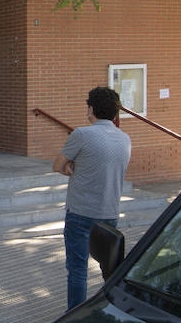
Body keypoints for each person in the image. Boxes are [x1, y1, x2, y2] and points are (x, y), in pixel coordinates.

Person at [53, 86, 132, 310]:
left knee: (77, 268)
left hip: (80, 212)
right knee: (108, 268)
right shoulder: (125, 139)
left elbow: (58, 165)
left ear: (91, 109)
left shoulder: (82, 134)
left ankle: (75, 314)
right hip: (109, 213)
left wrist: (71, 167)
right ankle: (111, 309)